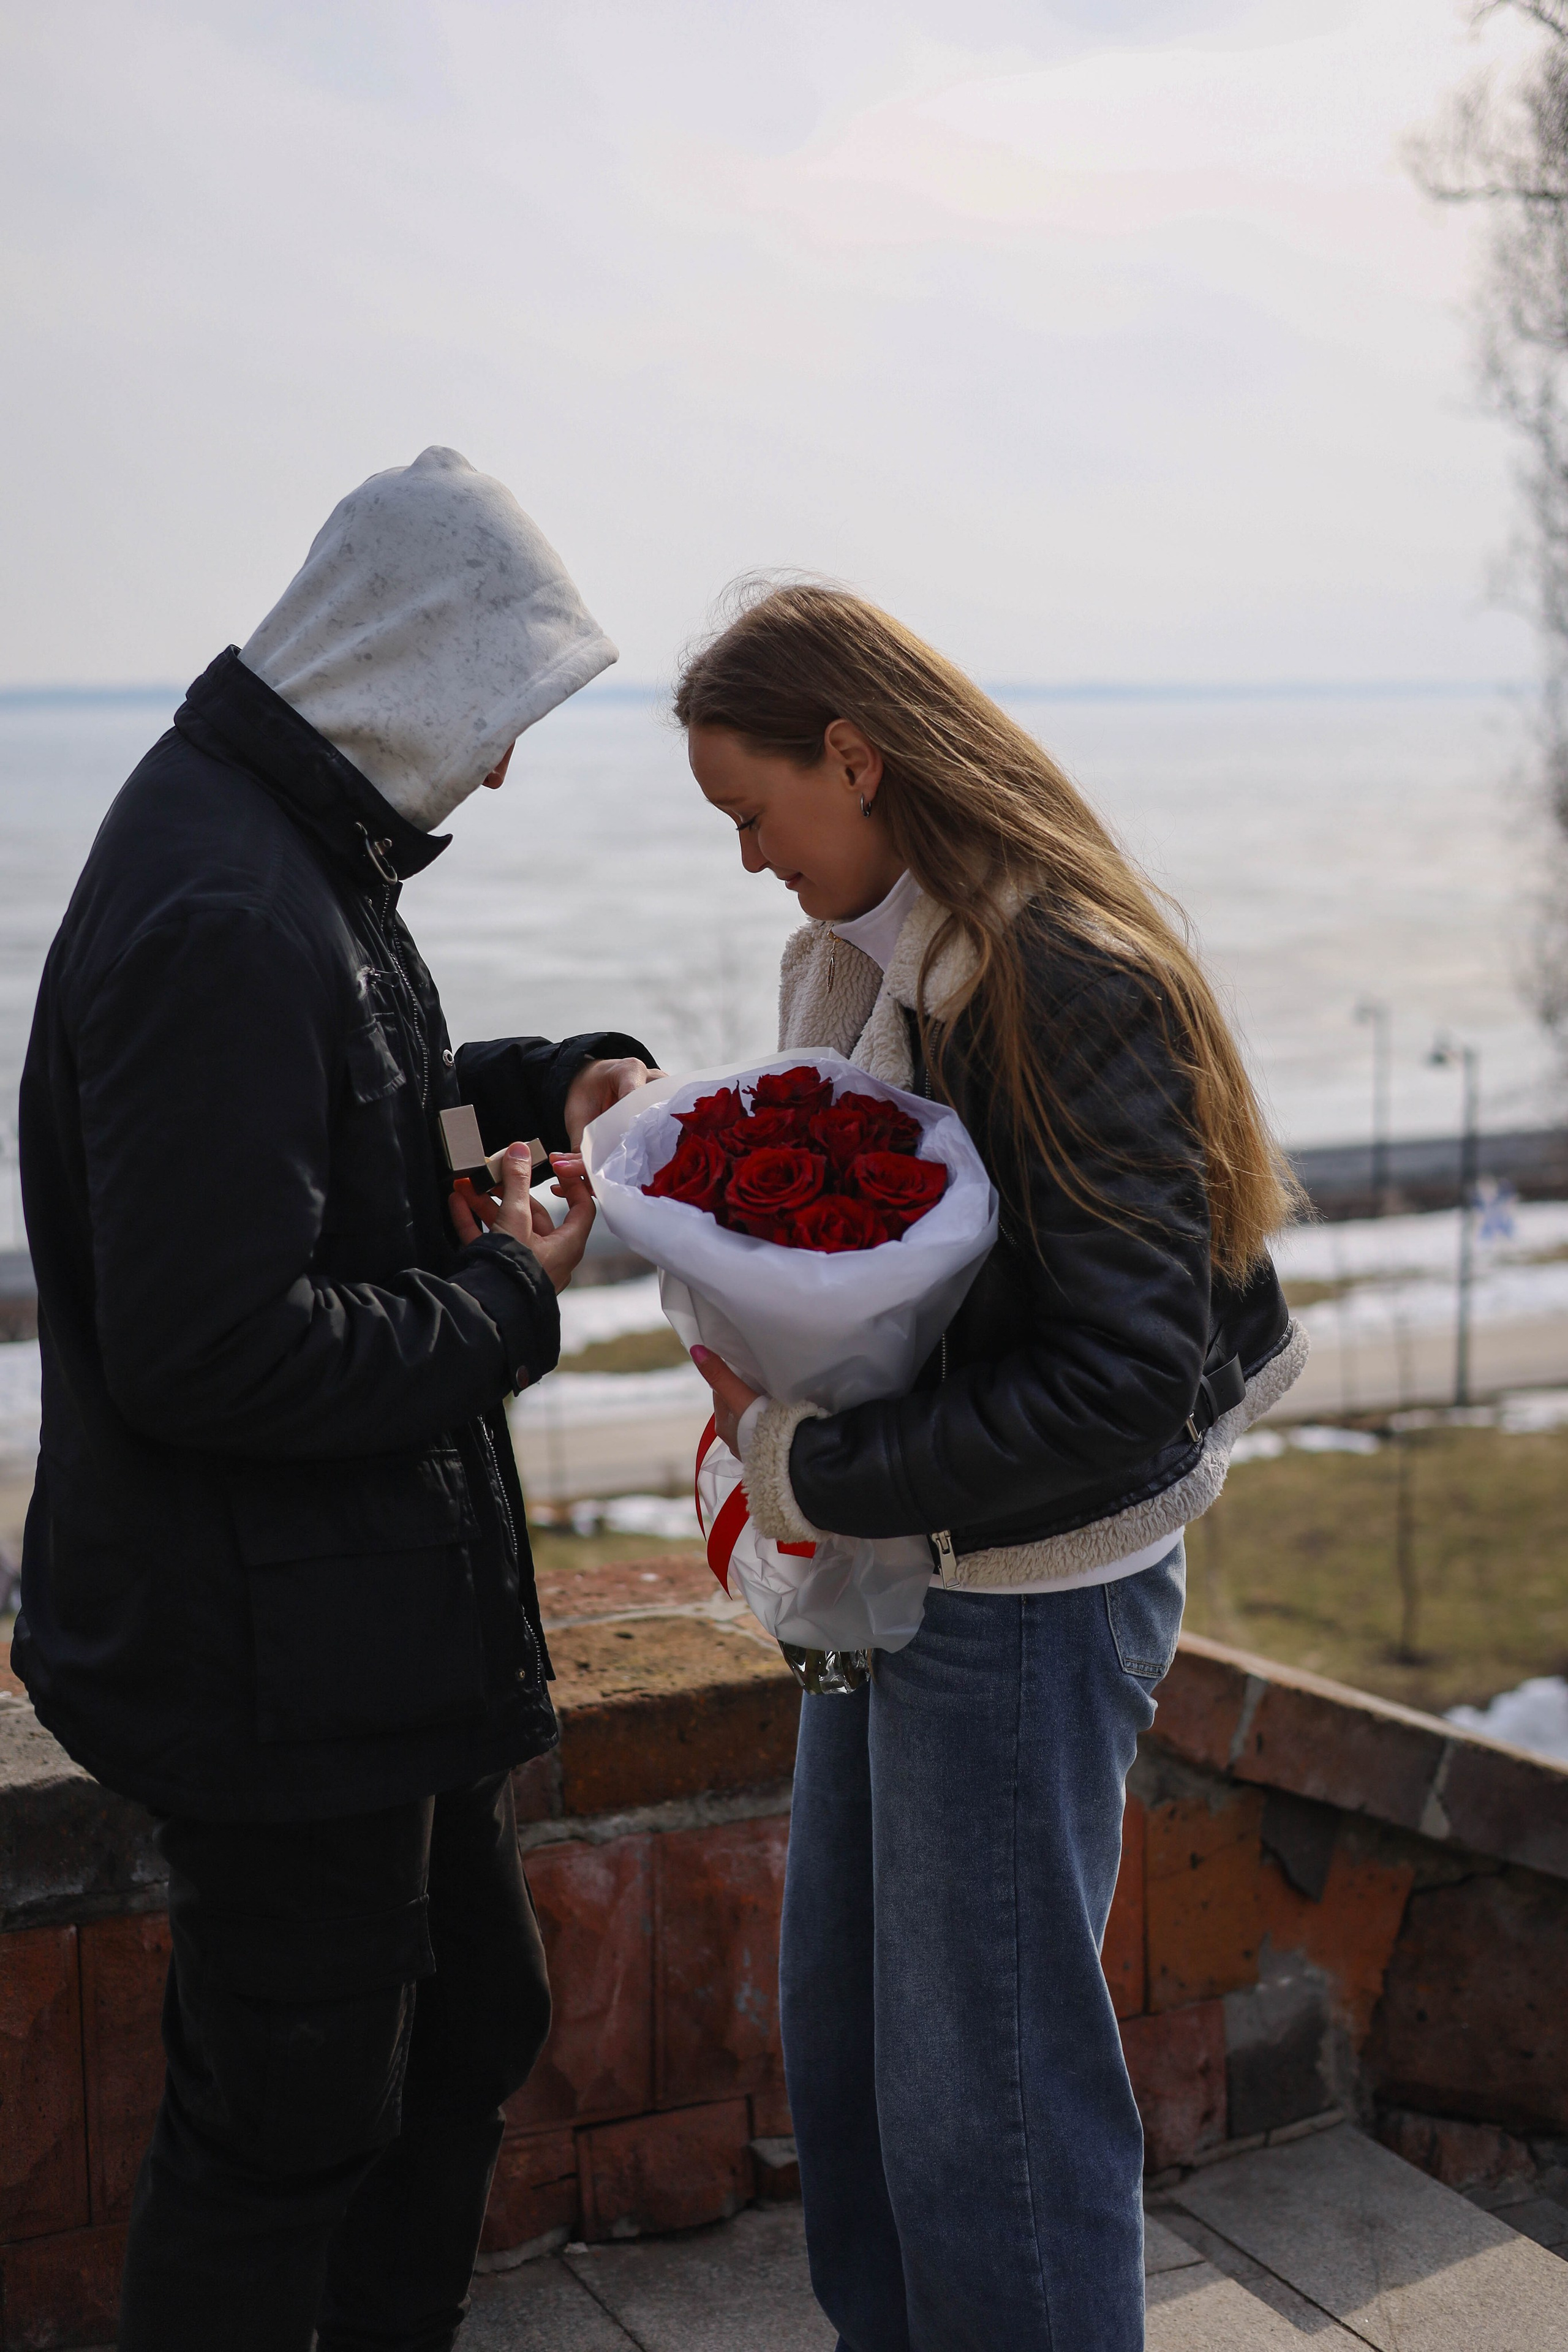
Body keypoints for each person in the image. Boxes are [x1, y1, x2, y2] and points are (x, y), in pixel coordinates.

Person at [14, 447, 659, 2352]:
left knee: (471, 2023)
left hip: (347, 1633)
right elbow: (213, 1350)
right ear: (402, 663)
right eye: (496, 717)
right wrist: (503, 1301)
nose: (504, 766)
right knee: (282, 2133)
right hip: (267, 1656)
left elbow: (364, 1106)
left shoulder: (281, 843)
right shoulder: (227, 902)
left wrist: (558, 1082)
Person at [680, 583, 1306, 2352]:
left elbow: (1123, 1384)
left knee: (996, 2108)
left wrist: (815, 1464)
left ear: (855, 757)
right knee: (863, 2064)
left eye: (753, 812)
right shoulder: (866, 956)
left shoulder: (1063, 977)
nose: (747, 860)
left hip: (1027, 1597)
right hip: (892, 1571)